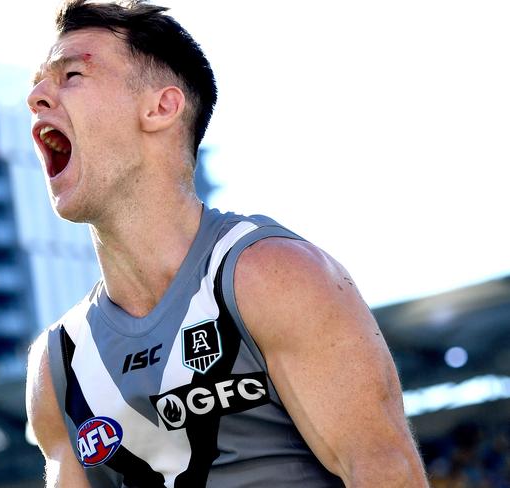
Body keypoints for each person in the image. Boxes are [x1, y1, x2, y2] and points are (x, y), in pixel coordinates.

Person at [25, 1, 429, 486]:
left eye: (71, 74)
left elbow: (386, 472)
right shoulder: (59, 367)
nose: (36, 97)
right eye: (38, 83)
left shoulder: (272, 275)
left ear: (160, 107)